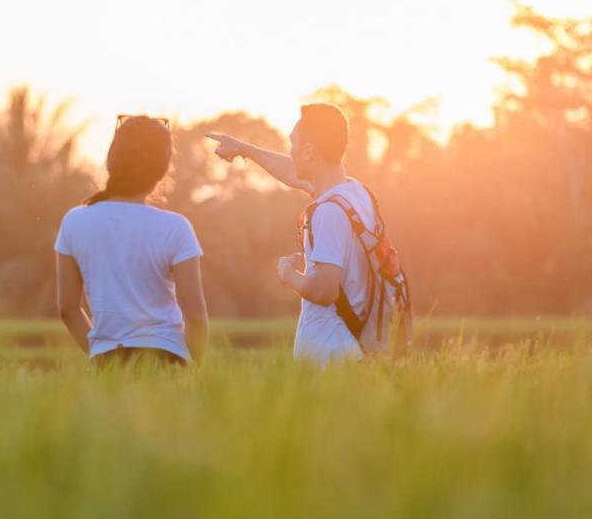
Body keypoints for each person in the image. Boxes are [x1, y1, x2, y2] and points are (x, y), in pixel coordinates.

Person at [208, 103, 388, 363]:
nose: (290, 152)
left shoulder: (327, 211)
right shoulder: (356, 194)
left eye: (293, 143)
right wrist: (245, 149)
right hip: (354, 350)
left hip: (330, 357)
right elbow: (294, 174)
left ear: (309, 151)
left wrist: (289, 275)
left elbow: (325, 290)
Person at [54, 115, 209, 367]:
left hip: (107, 360)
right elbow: (196, 317)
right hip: (168, 359)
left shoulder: (75, 221)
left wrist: (99, 353)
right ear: (162, 168)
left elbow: (68, 311)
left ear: (111, 160)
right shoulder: (175, 227)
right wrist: (192, 369)